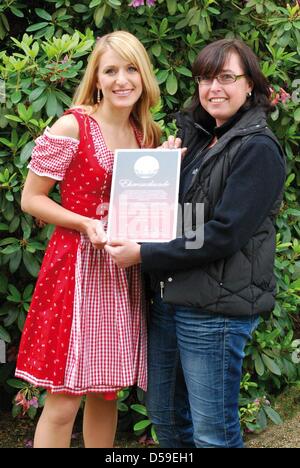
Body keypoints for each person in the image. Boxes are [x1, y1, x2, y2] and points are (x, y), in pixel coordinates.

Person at [105, 38, 286, 448]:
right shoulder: (203, 141)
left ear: (250, 85)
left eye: (226, 77)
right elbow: (179, 217)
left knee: (213, 432)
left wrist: (144, 255)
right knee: (166, 418)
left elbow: (223, 233)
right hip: (172, 300)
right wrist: (166, 172)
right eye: (206, 78)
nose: (214, 88)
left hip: (215, 310)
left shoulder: (257, 149)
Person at [15, 30, 161, 448]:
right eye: (111, 70)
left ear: (143, 76)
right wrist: (84, 223)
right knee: (63, 400)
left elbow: (145, 208)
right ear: (96, 77)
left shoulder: (143, 133)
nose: (122, 80)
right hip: (76, 269)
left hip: (120, 268)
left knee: (105, 392)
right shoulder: (72, 126)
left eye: (131, 69)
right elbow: (31, 199)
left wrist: (166, 171)